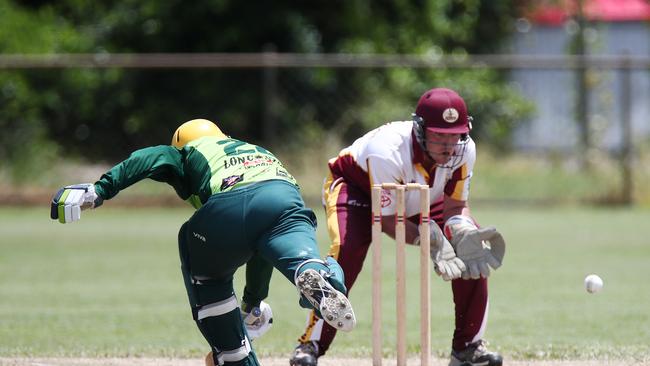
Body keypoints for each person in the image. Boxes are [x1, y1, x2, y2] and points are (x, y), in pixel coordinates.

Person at [50, 119, 357, 366]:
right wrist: (252, 303)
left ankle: (234, 353)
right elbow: (261, 250)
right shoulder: (253, 149)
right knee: (303, 259)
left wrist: (100, 190)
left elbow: (147, 158)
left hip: (229, 203)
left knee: (204, 270)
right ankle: (320, 275)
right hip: (284, 198)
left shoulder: (186, 151)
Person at [289, 88, 506, 366]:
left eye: (455, 135)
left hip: (420, 195)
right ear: (420, 130)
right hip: (356, 188)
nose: (448, 146)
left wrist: (461, 230)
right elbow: (390, 221)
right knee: (348, 252)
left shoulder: (465, 150)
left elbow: (455, 206)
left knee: (471, 249)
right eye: (439, 135)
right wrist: (431, 241)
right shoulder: (388, 152)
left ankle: (467, 348)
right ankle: (310, 345)